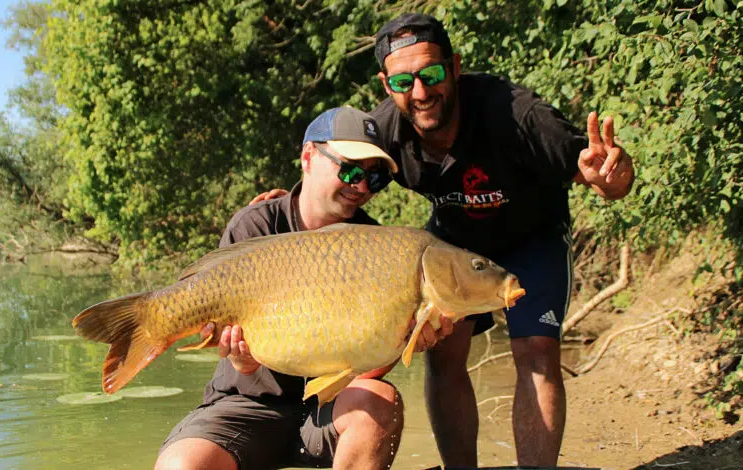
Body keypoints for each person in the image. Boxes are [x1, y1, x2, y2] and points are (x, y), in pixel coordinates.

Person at [369, 13, 636, 468]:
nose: (420, 93)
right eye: (403, 81)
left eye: (431, 74)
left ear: (454, 68)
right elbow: (335, 182)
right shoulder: (386, 134)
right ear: (385, 84)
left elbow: (603, 173)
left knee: (535, 350)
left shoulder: (517, 115)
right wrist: (285, 204)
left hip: (533, 237)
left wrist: (613, 179)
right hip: (456, 242)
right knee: (443, 352)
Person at [155, 106, 445, 470]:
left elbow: (365, 367)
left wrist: (404, 340)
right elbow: (232, 348)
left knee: (380, 402)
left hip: (329, 409)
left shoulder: (380, 247)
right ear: (308, 156)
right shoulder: (257, 223)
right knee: (182, 465)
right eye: (351, 170)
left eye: (374, 179)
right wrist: (240, 358)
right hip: (247, 404)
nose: (360, 187)